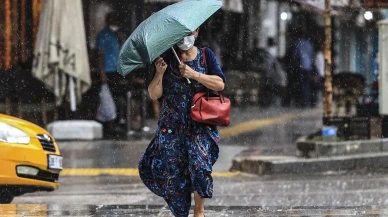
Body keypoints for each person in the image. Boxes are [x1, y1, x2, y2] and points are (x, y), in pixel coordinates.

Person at [138, 28, 226, 217]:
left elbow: (220, 84)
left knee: (200, 165)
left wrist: (194, 75)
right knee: (174, 174)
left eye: (190, 32)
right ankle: (180, 213)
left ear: (196, 33)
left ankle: (199, 210)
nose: (185, 37)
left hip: (200, 124)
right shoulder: (167, 57)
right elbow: (154, 94)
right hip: (172, 126)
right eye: (180, 33)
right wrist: (159, 73)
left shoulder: (205, 55)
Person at [96, 12, 125, 135]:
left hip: (116, 70)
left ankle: (116, 122)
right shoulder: (103, 35)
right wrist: (102, 72)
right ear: (108, 21)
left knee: (117, 97)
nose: (116, 23)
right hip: (108, 71)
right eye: (113, 21)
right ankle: (109, 125)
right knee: (108, 98)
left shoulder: (116, 35)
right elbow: (100, 55)